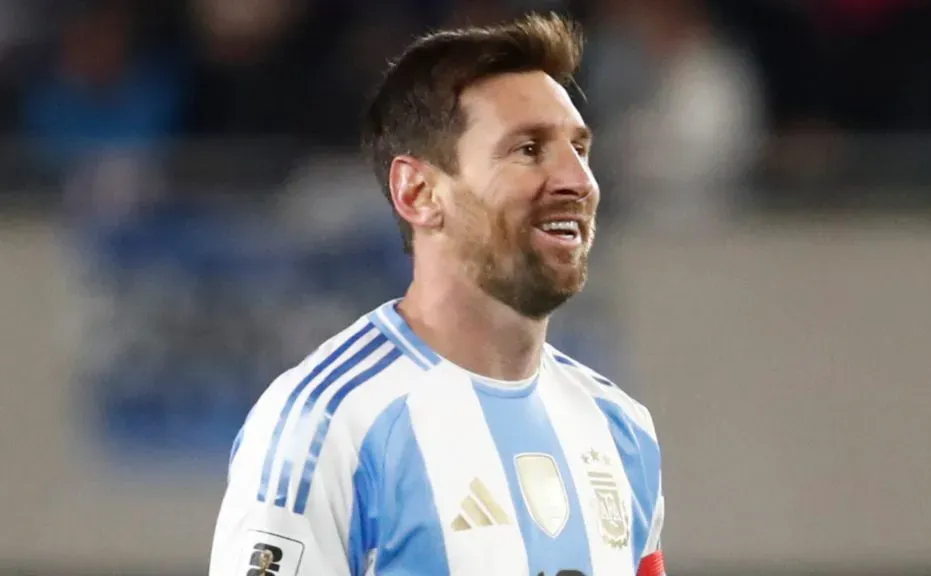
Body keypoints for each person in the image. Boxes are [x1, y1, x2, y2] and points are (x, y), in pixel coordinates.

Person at [208, 12, 665, 576]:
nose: (578, 181)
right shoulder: (326, 426)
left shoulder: (620, 429)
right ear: (418, 192)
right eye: (528, 149)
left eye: (580, 148)